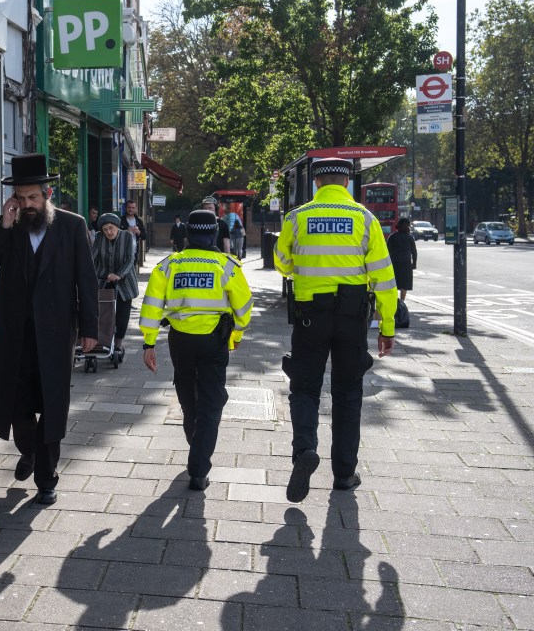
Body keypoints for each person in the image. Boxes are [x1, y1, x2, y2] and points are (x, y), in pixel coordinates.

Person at [0, 153, 98, 505]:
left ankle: (46, 476)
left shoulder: (72, 226)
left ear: (47, 195)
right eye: (21, 198)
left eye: (33, 198)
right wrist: (4, 224)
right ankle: (28, 451)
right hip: (14, 335)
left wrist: (90, 328)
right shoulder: (10, 228)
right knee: (17, 407)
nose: (27, 204)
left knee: (52, 405)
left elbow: (86, 281)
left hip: (57, 334)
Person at [273, 157, 397, 503]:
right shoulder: (365, 219)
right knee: (347, 393)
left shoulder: (297, 218)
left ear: (316, 183)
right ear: (346, 184)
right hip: (352, 317)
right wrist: (386, 326)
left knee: (304, 388)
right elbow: (384, 279)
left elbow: (282, 263)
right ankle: (344, 474)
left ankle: (304, 452)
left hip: (310, 315)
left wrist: (304, 261)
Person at [140, 209, 252, 490]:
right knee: (212, 403)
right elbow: (244, 307)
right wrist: (235, 335)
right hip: (214, 341)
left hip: (180, 341)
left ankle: (194, 433)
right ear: (214, 233)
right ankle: (199, 469)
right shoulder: (228, 266)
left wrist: (149, 342)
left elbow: (152, 305)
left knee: (188, 396)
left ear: (187, 234)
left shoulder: (169, 265)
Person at [92, 213, 138, 353]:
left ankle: (118, 345)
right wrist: (97, 273)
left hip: (124, 283)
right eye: (105, 229)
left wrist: (119, 275)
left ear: (117, 227)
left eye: (111, 228)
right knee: (103, 313)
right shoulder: (99, 238)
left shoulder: (127, 236)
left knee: (122, 316)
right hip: (104, 280)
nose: (108, 232)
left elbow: (130, 259)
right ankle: (102, 341)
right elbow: (92, 258)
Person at [387, 217, 417, 301]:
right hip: (406, 263)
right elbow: (414, 252)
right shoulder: (410, 237)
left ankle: (394, 301)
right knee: (404, 284)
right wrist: (414, 263)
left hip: (394, 263)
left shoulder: (392, 237)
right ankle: (402, 302)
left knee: (394, 283)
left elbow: (387, 251)